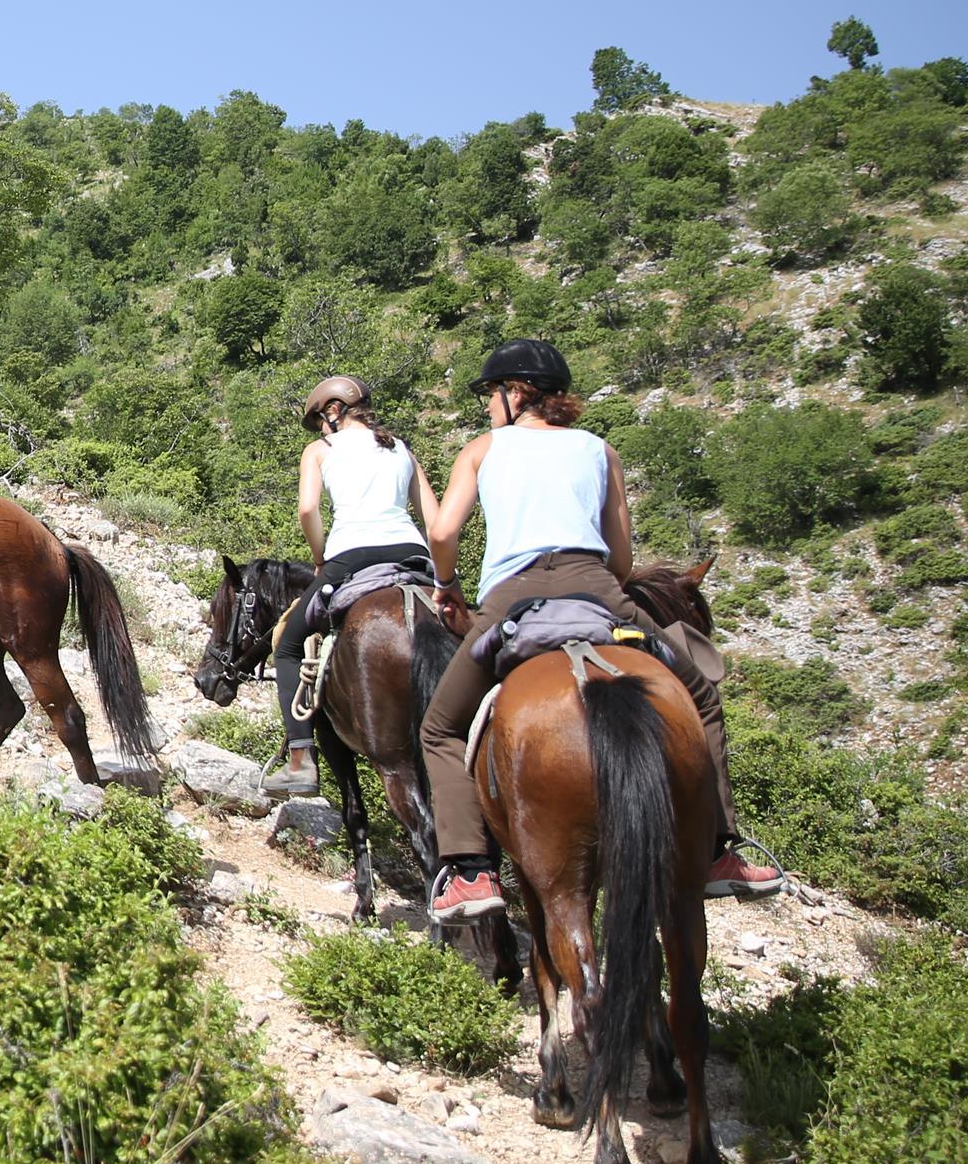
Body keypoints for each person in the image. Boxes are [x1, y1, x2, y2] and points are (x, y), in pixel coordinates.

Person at [416, 339, 781, 923]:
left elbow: (441, 532)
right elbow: (620, 552)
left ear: (515, 394)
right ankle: (717, 850)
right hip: (598, 590)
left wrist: (448, 583)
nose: (488, 407)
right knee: (703, 700)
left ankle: (470, 871)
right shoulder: (599, 450)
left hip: (513, 596)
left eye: (491, 394)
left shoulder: (483, 451)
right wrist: (596, 589)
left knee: (438, 727)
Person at [262, 374, 442, 791]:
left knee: (287, 643)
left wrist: (322, 555)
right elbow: (436, 521)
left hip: (352, 555)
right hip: (415, 557)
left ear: (333, 411)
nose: (322, 429)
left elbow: (309, 509)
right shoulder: (400, 448)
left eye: (322, 420)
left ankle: (300, 759)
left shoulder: (320, 449)